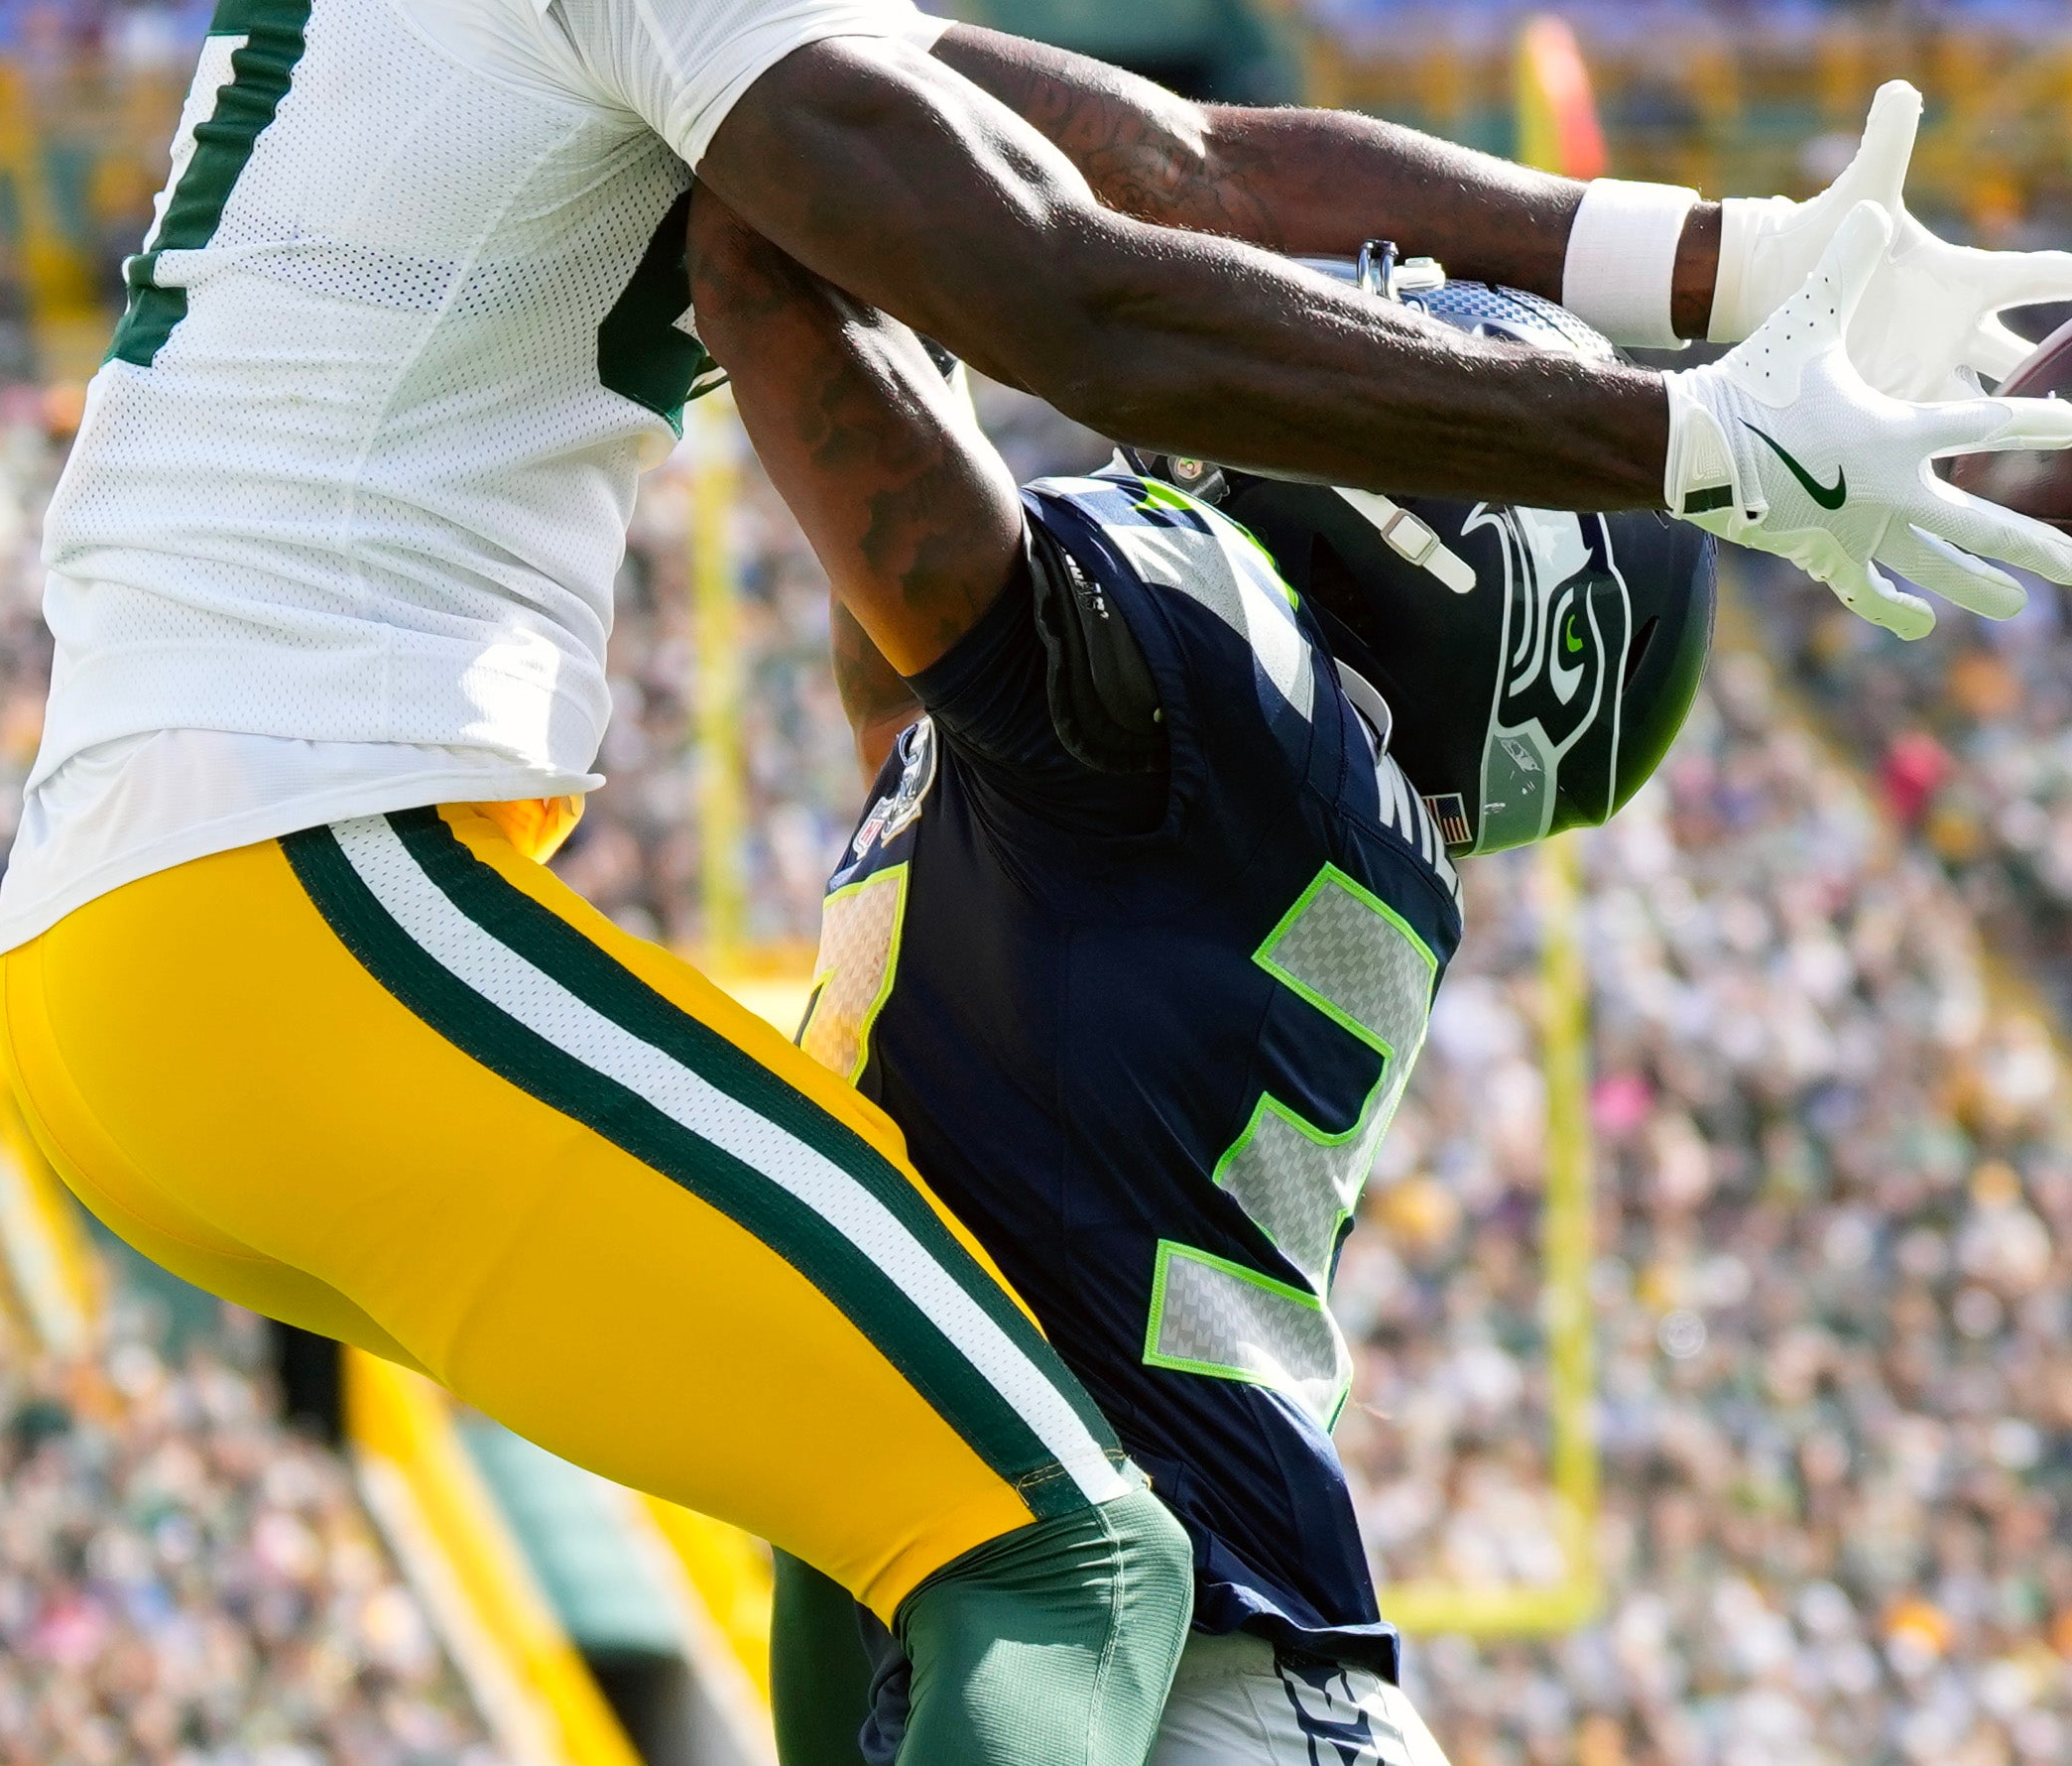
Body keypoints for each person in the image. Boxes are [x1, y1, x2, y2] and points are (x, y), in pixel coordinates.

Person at [0, 0, 2072, 1766]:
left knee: (981, 1529)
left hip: (226, 888)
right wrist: (1685, 343)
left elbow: (1064, 228)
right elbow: (1081, 233)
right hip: (289, 874)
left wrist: (1697, 336)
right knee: (1048, 1531)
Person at [684, 201, 1718, 1766]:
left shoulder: (1225, 691)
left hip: (1178, 1678)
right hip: (1116, 1673)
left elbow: (881, 484)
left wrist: (769, 135)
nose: (1346, 349)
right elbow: (899, 665)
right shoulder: (1214, 774)